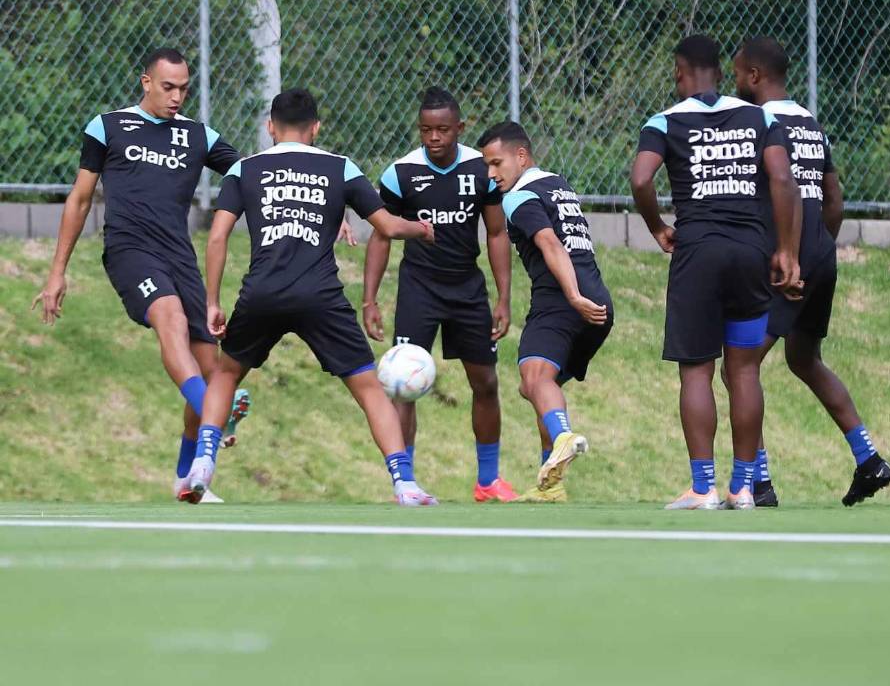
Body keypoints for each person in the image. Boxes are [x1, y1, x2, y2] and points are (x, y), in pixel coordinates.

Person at [181, 88, 438, 506]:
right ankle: (405, 483)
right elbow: (389, 227)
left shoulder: (244, 169)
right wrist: (421, 229)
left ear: (270, 127)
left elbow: (217, 237)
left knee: (225, 375)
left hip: (262, 293)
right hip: (320, 296)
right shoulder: (339, 167)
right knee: (369, 389)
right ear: (316, 128)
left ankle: (202, 464)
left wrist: (211, 301)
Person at [32, 48, 249, 503]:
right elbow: (79, 199)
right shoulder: (107, 127)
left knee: (210, 369)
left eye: (183, 89)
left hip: (179, 257)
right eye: (168, 87)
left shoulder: (198, 135)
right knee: (169, 318)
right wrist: (57, 273)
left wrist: (333, 212)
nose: (176, 97)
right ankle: (218, 415)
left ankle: (186, 476)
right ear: (146, 82)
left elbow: (255, 176)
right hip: (130, 250)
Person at [630, 34, 802, 510]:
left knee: (697, 372)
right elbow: (783, 179)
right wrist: (786, 251)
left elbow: (641, 178)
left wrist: (657, 226)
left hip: (697, 255)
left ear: (679, 73)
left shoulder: (665, 121)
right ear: (722, 73)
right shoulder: (758, 116)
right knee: (744, 370)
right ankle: (743, 488)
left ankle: (703, 488)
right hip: (750, 252)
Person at [732, 36, 890, 507]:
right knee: (804, 359)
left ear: (755, 76)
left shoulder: (756, 122)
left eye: (738, 73)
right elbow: (833, 199)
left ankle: (758, 483)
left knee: (739, 364)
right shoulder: (810, 122)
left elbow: (773, 187)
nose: (734, 81)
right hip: (821, 250)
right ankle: (869, 459)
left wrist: (790, 254)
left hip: (788, 257)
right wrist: (818, 249)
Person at [361, 87, 517, 502]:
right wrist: (370, 300)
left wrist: (503, 297)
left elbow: (497, 233)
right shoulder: (400, 173)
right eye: (426, 129)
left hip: (467, 290)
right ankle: (405, 482)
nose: (434, 137)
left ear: (459, 128)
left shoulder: (480, 169)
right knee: (401, 386)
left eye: (443, 130)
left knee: (486, 382)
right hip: (419, 289)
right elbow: (381, 236)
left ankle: (488, 480)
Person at [477, 121, 612, 503]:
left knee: (534, 378)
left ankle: (563, 437)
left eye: (497, 163)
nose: (491, 174)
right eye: (487, 166)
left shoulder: (518, 197)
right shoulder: (557, 184)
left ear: (521, 156)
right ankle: (550, 484)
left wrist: (572, 296)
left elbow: (550, 243)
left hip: (562, 300)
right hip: (599, 299)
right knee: (539, 386)